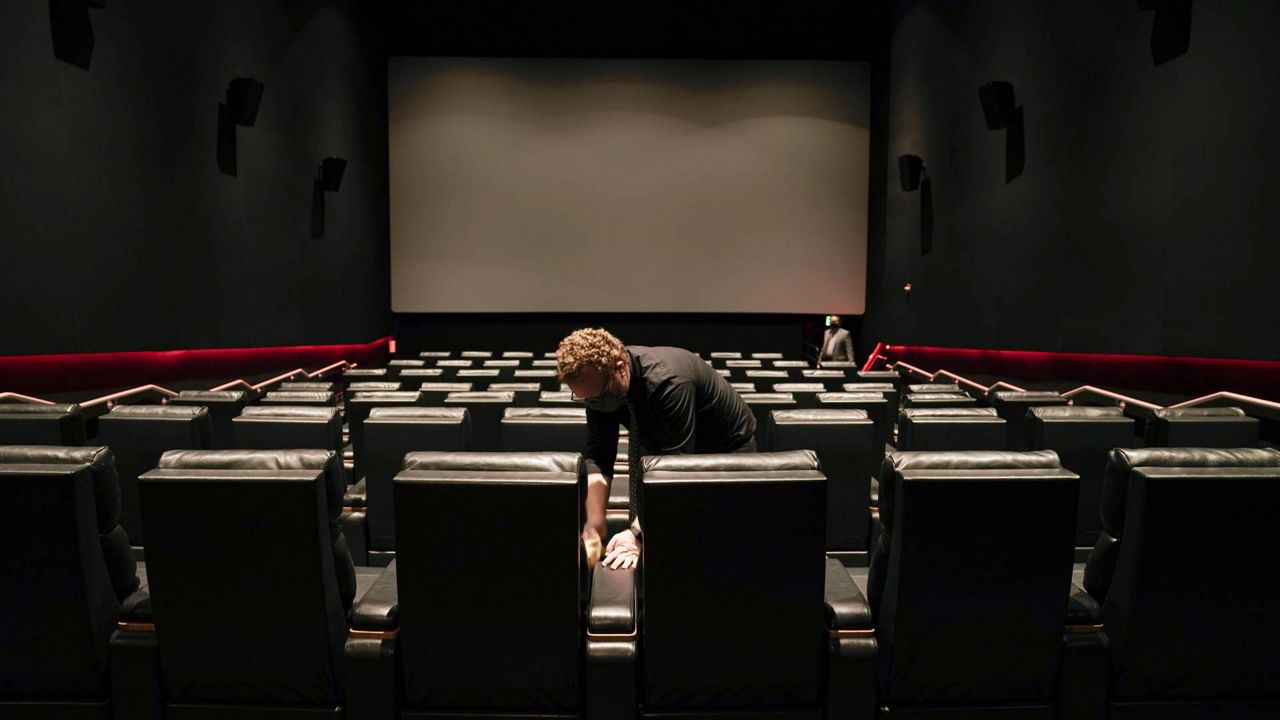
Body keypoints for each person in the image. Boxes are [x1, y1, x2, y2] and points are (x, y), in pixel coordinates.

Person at [557, 328, 757, 570]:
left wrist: (636, 535)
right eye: (587, 400)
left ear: (620, 367)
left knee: (707, 545)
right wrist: (595, 521)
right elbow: (599, 455)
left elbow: (674, 472)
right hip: (678, 457)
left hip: (729, 456)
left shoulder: (668, 382)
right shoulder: (599, 388)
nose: (595, 405)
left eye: (599, 397)